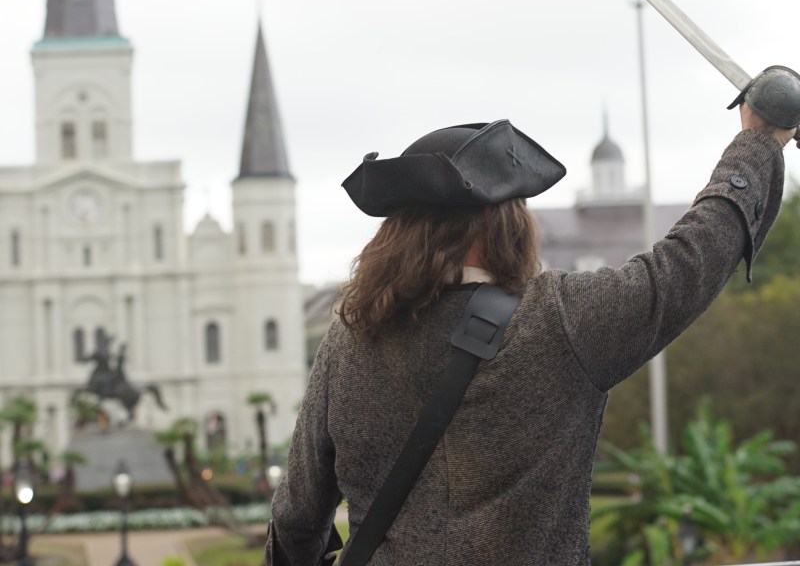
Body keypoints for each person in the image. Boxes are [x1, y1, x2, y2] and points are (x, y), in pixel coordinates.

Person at [266, 103, 795, 566]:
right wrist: (758, 139)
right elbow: (690, 260)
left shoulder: (349, 340)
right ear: (503, 224)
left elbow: (296, 518)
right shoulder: (561, 319)